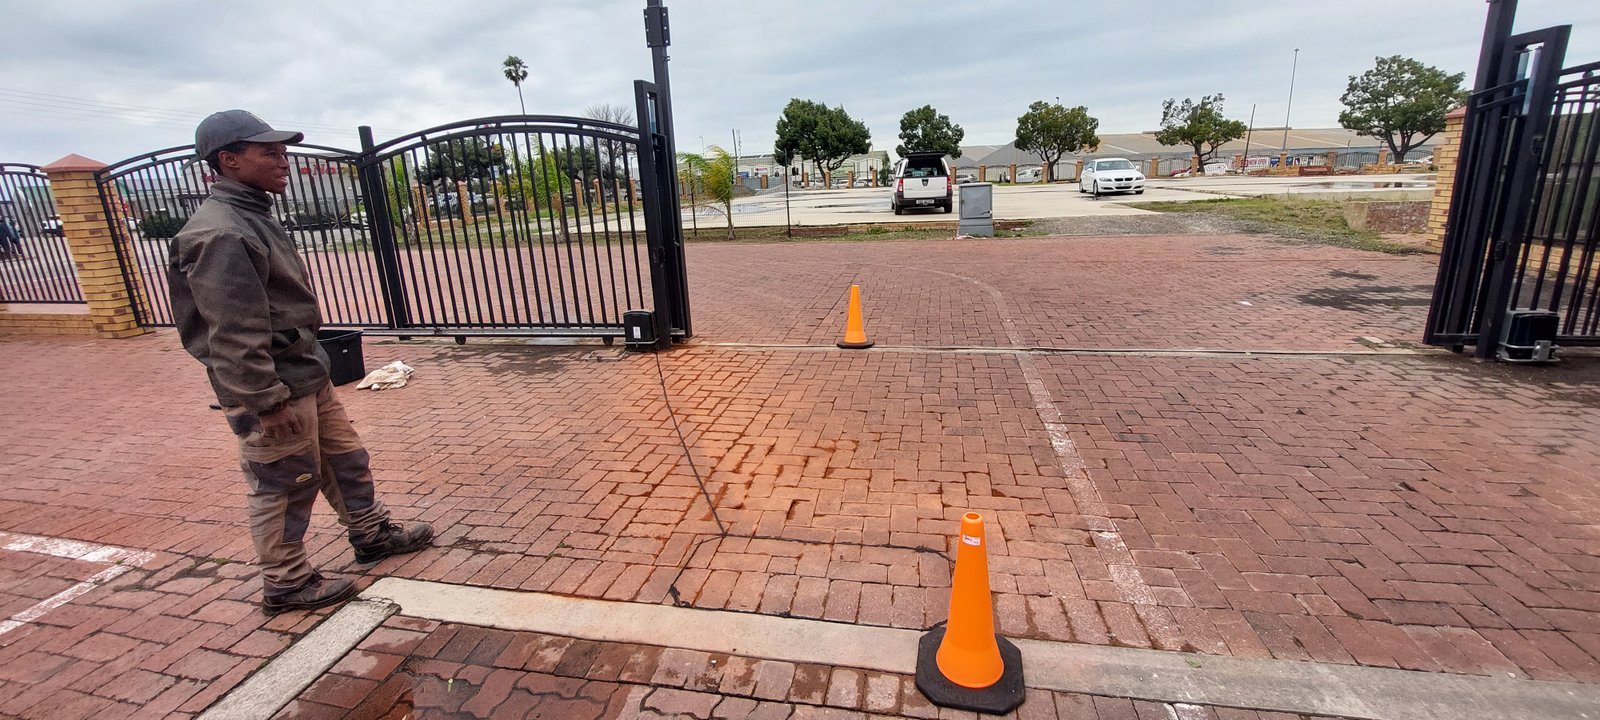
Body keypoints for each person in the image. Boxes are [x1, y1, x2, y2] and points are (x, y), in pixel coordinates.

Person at [168, 110, 434, 615]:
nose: (283, 160)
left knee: (345, 460)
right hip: (271, 387)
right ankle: (286, 582)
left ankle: (371, 534)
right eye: (268, 151)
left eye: (282, 150)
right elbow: (232, 332)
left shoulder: (252, 215)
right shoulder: (221, 233)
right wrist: (266, 403)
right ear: (229, 161)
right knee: (284, 483)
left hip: (304, 370)